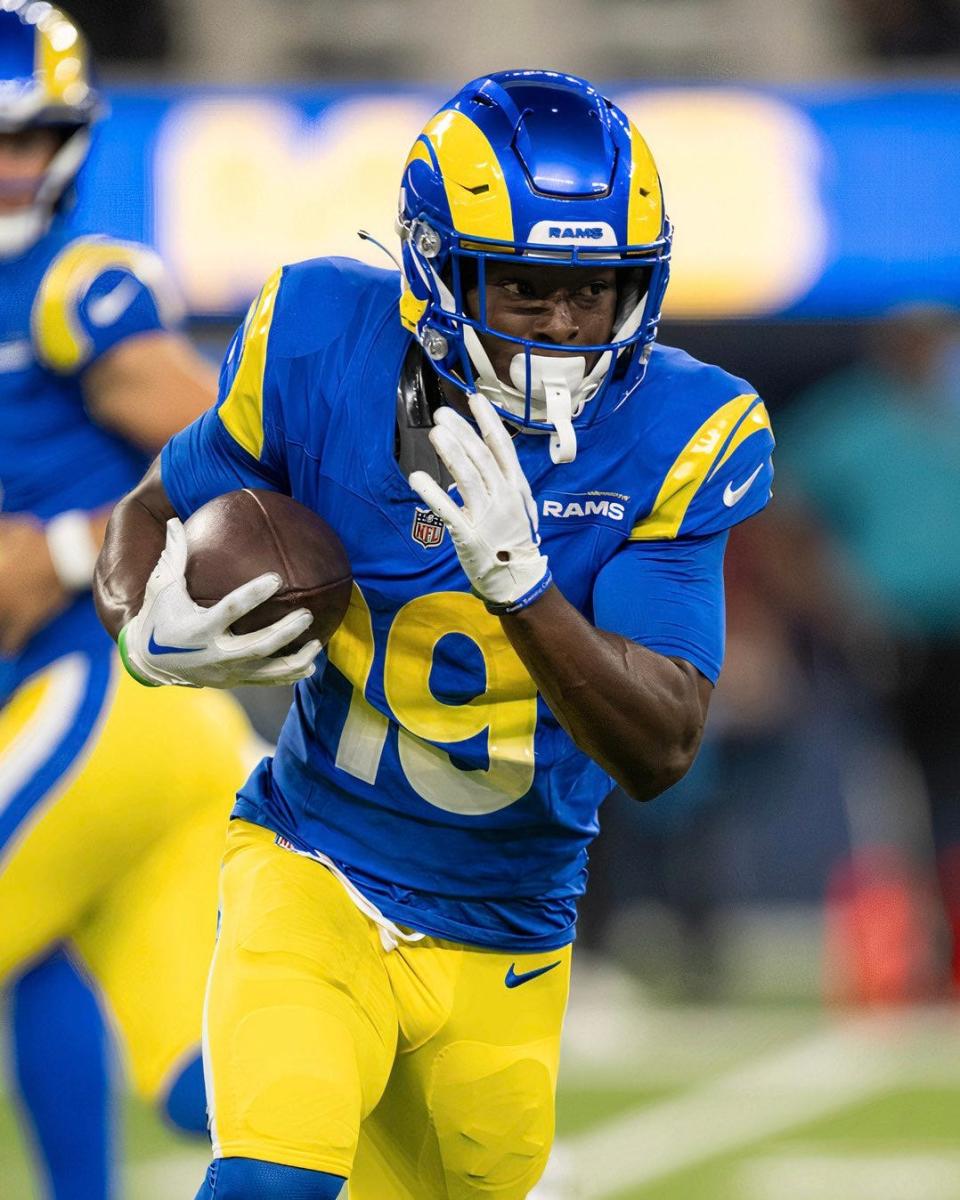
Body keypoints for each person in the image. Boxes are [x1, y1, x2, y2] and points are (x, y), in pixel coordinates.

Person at [96, 70, 776, 1199]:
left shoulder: (684, 430)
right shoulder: (320, 341)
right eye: (526, 287)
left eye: (596, 291)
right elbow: (152, 511)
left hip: (509, 925)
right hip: (315, 863)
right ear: (433, 268)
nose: (565, 327)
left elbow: (660, 748)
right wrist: (143, 628)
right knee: (269, 1181)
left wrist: (526, 589)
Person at [0, 4, 266, 1196]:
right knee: (203, 1073)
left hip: (107, 697)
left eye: (28, 135)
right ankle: (463, 1170)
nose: (8, 164)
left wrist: (60, 550)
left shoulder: (75, 286)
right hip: (120, 728)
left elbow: (248, 466)